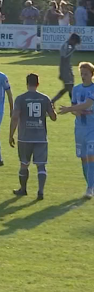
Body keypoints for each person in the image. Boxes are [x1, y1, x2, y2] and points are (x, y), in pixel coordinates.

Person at [8, 73, 56, 200]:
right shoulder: (45, 98)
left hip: (24, 137)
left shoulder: (20, 99)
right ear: (38, 84)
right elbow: (53, 117)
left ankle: (23, 189)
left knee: (24, 164)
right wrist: (53, 109)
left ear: (27, 83)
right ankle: (40, 191)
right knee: (41, 165)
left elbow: (15, 117)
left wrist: (11, 135)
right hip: (41, 137)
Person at [58, 62, 94, 198]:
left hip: (92, 128)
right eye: (82, 74)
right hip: (79, 129)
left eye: (86, 74)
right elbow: (76, 106)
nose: (83, 76)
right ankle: (90, 184)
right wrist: (74, 112)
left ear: (92, 74)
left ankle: (90, 188)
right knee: (83, 158)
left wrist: (69, 109)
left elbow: (87, 104)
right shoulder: (76, 90)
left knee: (91, 156)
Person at [51, 33, 81, 103]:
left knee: (68, 88)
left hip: (68, 70)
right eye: (75, 43)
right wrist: (61, 72)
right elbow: (63, 59)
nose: (75, 44)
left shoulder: (69, 46)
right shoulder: (66, 46)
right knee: (70, 88)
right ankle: (74, 105)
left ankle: (52, 101)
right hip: (65, 70)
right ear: (72, 40)